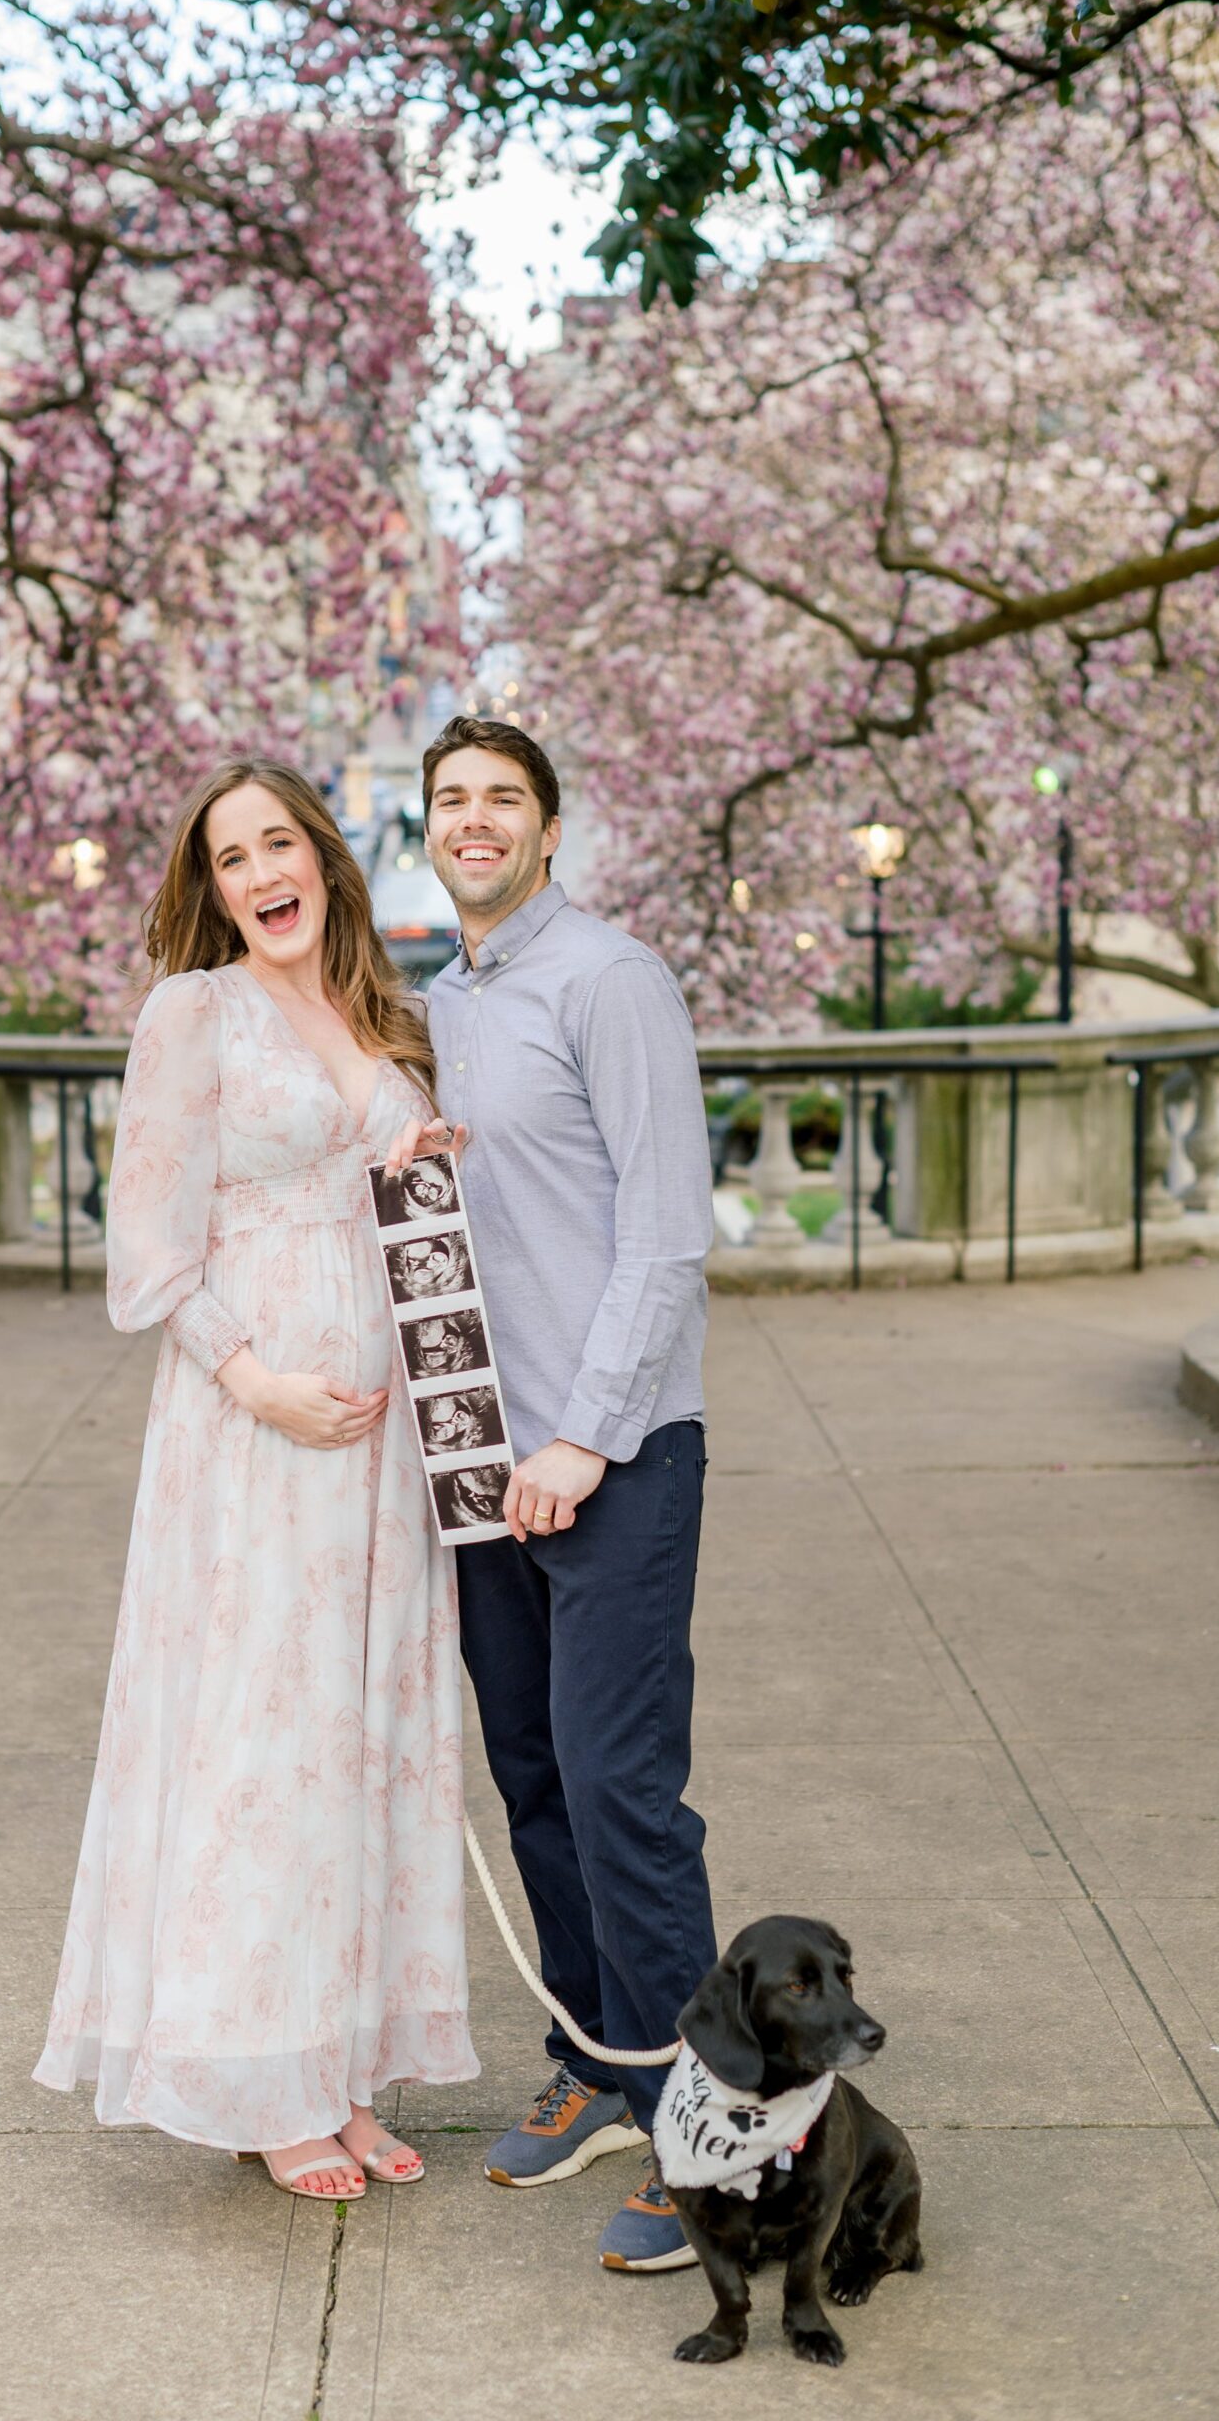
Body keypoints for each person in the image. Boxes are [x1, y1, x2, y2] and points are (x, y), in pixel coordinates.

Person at [34, 760, 478, 2202]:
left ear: (324, 862)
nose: (260, 874)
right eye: (231, 859)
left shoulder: (375, 1010)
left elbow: (404, 1192)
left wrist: (396, 1124)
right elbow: (148, 1253)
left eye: (280, 842)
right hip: (254, 1443)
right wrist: (257, 1381)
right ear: (210, 888)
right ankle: (258, 2076)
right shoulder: (191, 1015)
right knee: (262, 1744)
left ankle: (339, 2067)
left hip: (384, 1453)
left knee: (363, 1738)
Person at [385, 713, 717, 2273]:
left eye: (500, 799)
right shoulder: (433, 1003)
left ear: (547, 828)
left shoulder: (612, 979)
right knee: (530, 1779)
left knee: (619, 1791)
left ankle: (711, 2137)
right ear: (426, 826)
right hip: (482, 1466)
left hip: (615, 1458)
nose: (473, 821)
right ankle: (601, 2060)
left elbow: (664, 1234)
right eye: (450, 799)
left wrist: (584, 1437)